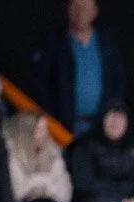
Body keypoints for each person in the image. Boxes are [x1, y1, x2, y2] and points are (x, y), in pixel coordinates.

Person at [32, 0, 123, 137]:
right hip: (63, 128)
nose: (80, 12)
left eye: (85, 7)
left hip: (100, 127)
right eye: (75, 7)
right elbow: (42, 84)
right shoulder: (55, 43)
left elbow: (117, 81)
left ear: (95, 11)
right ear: (67, 10)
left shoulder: (106, 44)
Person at [5, 112, 73, 202]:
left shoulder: (52, 152)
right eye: (38, 129)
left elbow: (65, 195)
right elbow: (17, 192)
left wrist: (39, 190)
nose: (44, 134)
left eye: (44, 129)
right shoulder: (11, 154)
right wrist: (45, 183)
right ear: (25, 132)